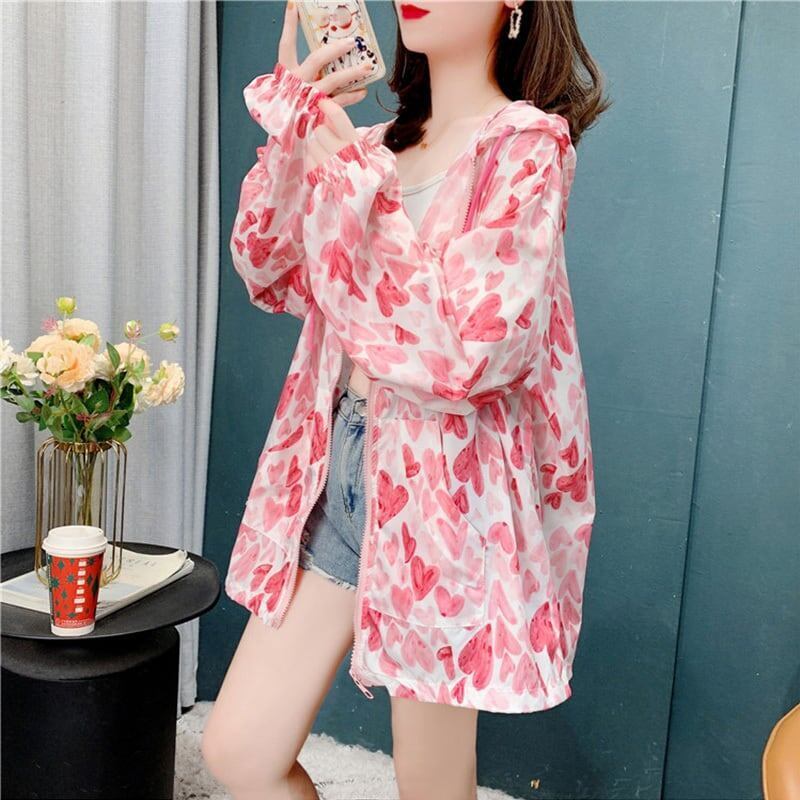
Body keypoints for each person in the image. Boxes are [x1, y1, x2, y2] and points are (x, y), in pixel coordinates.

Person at [202, 1, 609, 798]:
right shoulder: (368, 147)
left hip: (446, 491)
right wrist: (297, 139)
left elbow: (473, 353)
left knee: (431, 781)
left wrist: (351, 182)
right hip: (339, 465)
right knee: (238, 754)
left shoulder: (525, 147)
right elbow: (270, 270)